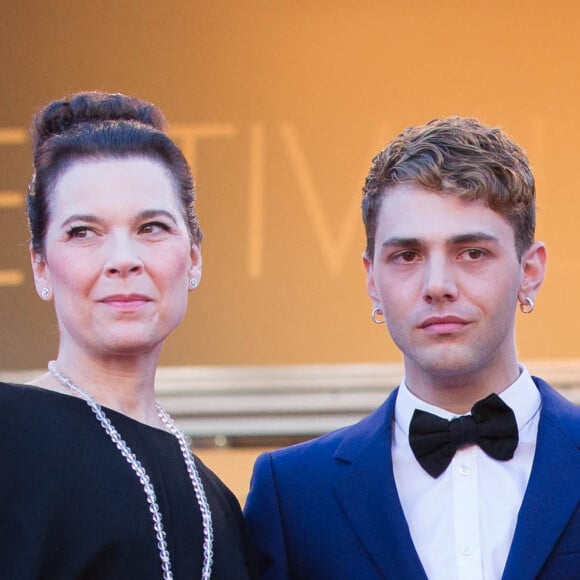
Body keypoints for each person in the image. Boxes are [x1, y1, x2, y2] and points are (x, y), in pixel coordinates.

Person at [244, 117, 580, 579]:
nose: (437, 285)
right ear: (371, 279)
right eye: (408, 256)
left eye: (472, 253)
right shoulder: (294, 495)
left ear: (531, 270)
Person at [0, 91, 256, 579]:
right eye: (83, 232)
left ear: (194, 258)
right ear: (40, 266)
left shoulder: (218, 502)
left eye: (151, 227)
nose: (123, 259)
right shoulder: (8, 437)